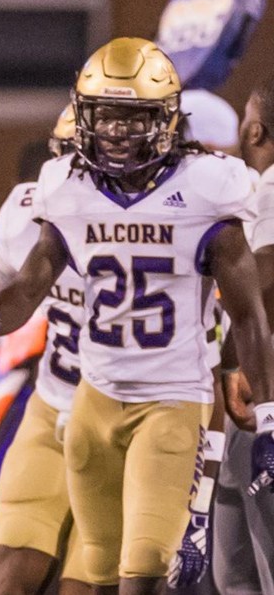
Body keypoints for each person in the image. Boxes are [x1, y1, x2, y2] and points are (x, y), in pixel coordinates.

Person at [0, 37, 274, 594]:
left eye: (134, 119)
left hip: (170, 397)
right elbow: (29, 283)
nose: (118, 135)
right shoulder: (63, 190)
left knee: (143, 567)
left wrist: (265, 415)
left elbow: (243, 317)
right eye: (106, 118)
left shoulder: (207, 188)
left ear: (167, 120)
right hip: (84, 400)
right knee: (76, 571)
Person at [0, 114, 91, 595]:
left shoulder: (166, 220)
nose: (62, 170)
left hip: (130, 422)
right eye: (59, 155)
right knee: (8, 563)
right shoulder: (30, 210)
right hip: (52, 408)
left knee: (93, 580)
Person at [212, 74, 274, 594]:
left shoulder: (272, 184)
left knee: (249, 568)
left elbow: (266, 280)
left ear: (256, 132)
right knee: (232, 568)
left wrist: (231, 364)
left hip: (262, 390)